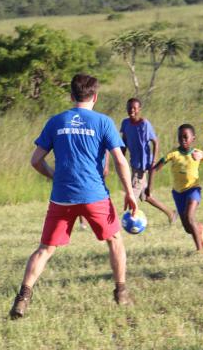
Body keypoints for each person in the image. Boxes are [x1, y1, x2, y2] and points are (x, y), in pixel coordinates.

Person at [10, 74, 137, 319]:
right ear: (95, 97)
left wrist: (54, 176)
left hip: (62, 196)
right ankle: (121, 292)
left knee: (45, 249)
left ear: (71, 96)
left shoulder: (56, 121)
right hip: (94, 195)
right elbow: (121, 161)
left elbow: (36, 160)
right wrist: (130, 193)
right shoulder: (103, 122)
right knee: (115, 240)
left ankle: (23, 298)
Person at [149, 124, 203, 252]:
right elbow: (154, 170)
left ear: (193, 139)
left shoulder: (198, 154)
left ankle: (200, 251)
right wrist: (149, 187)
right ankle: (199, 229)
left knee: (190, 216)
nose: (183, 140)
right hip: (178, 193)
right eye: (180, 137)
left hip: (193, 190)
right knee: (188, 228)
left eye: (186, 137)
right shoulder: (173, 154)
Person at [120, 98, 175, 223]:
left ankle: (133, 221)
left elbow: (155, 142)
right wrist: (121, 158)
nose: (131, 110)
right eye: (129, 108)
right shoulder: (125, 123)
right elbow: (124, 142)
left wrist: (153, 161)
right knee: (145, 196)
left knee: (132, 195)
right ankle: (170, 213)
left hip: (143, 165)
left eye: (134, 108)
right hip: (133, 163)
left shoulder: (144, 124)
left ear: (139, 109)